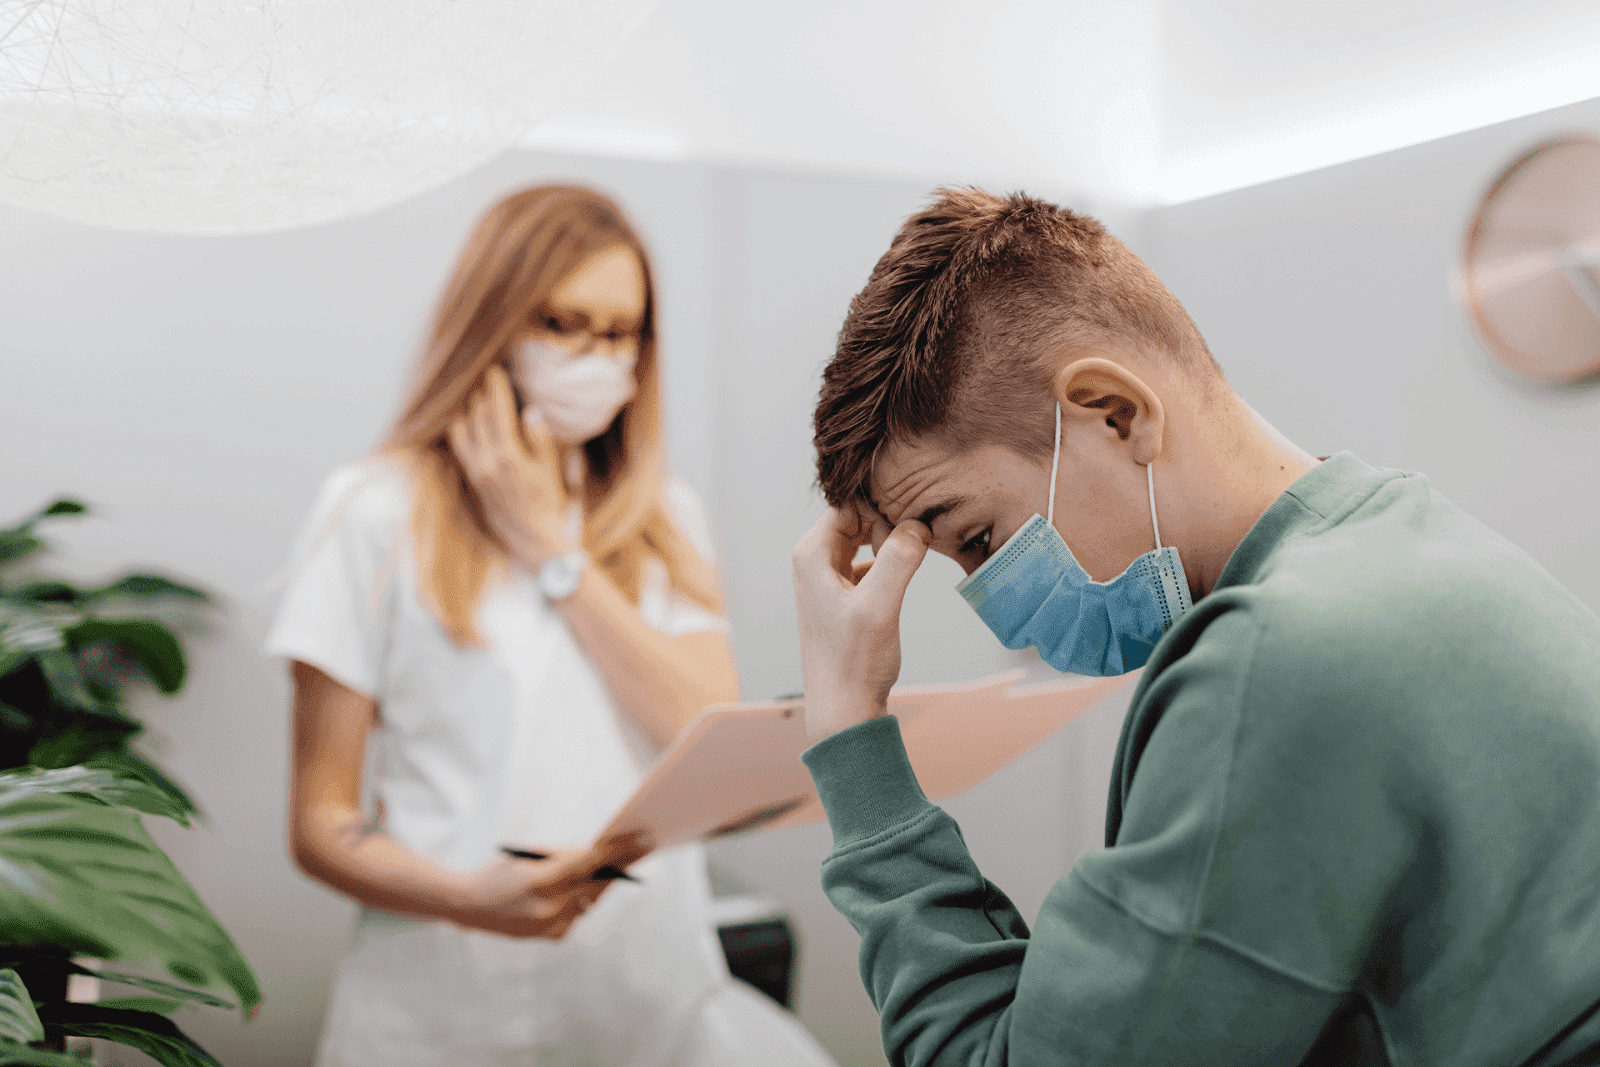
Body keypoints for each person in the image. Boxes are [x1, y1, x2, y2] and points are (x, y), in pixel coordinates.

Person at [790, 187, 1600, 1065]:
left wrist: (851, 733)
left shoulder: (1279, 661)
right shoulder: (1410, 541)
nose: (1004, 617)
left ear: (1114, 411)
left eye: (979, 540)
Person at [269, 184, 836, 1067]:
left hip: (648, 1004)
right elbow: (320, 822)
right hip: (441, 1016)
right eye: (565, 322)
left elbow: (698, 726)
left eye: (621, 332)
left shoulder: (666, 516)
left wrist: (551, 548)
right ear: (492, 322)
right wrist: (467, 896)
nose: (597, 357)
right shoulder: (374, 511)